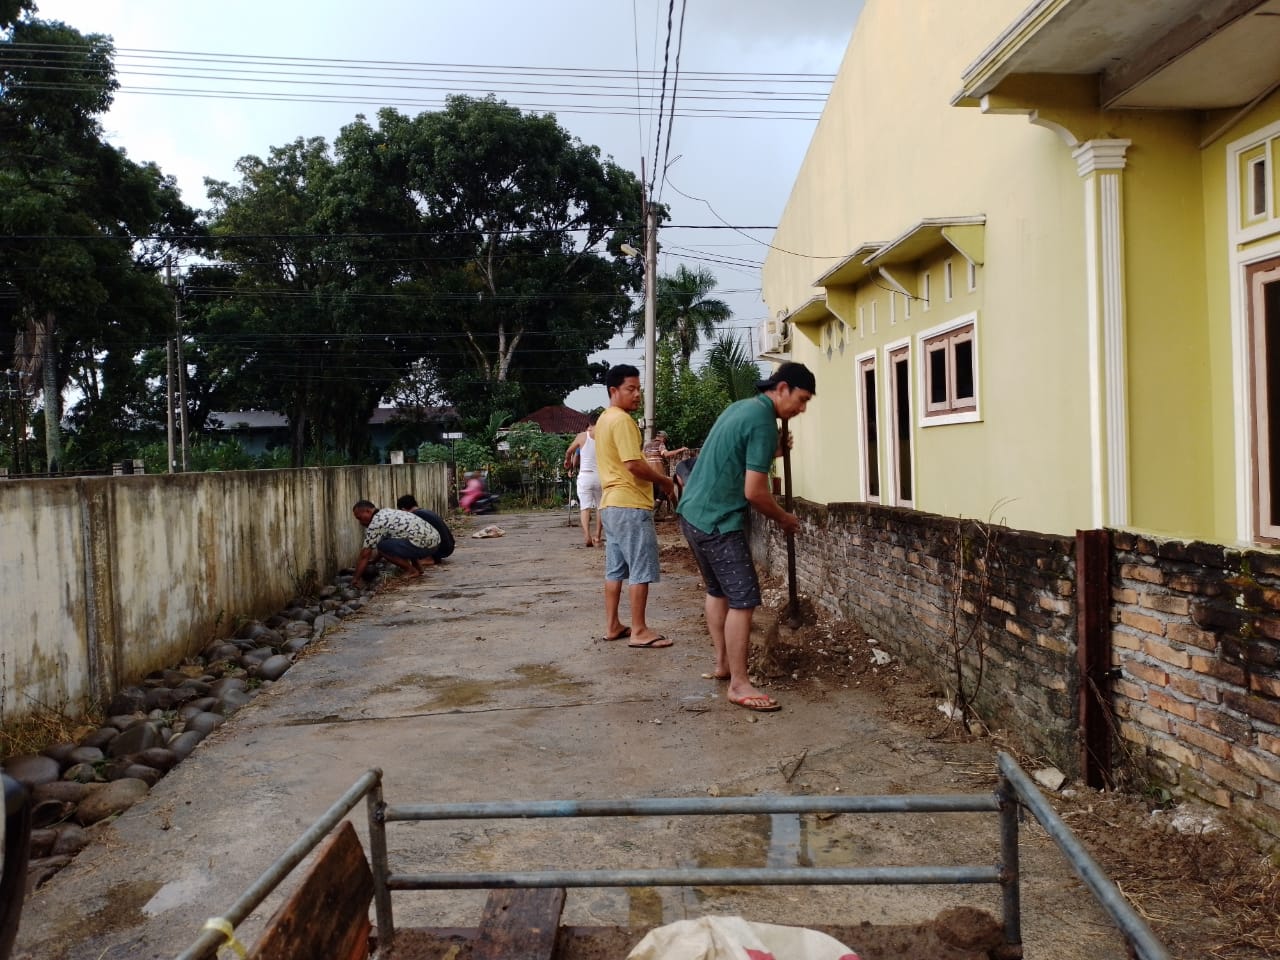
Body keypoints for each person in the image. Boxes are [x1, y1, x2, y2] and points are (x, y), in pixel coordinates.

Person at [675, 362, 816, 712]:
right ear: (781, 389)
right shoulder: (764, 422)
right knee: (743, 598)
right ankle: (739, 684)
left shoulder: (742, 408)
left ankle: (724, 664)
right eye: (801, 399)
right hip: (718, 522)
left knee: (718, 591)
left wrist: (773, 451)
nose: (802, 409)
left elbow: (734, 455)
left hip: (692, 514)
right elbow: (754, 492)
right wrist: (784, 518)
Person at [594, 364, 678, 649]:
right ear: (613, 390)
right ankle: (639, 630)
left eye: (639, 389)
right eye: (630, 389)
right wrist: (664, 481)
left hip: (611, 506)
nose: (637, 394)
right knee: (641, 568)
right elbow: (633, 464)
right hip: (630, 504)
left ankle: (613, 625)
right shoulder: (622, 421)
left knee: (615, 570)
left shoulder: (604, 420)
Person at [351, 499, 442, 581]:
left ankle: (411, 571)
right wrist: (374, 561)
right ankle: (418, 567)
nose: (360, 522)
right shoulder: (385, 512)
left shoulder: (376, 523)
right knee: (403, 539)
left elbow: (365, 554)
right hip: (435, 542)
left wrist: (355, 579)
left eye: (360, 518)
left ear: (368, 511)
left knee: (383, 547)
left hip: (425, 545)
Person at [563, 411, 604, 547]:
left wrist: (567, 462)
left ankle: (587, 535)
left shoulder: (582, 436)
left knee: (585, 508)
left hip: (585, 476)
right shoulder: (605, 436)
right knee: (600, 507)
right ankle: (597, 536)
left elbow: (569, 451)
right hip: (600, 476)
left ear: (589, 423)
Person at [642, 429, 690, 520]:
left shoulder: (646, 446)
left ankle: (657, 512)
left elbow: (642, 459)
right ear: (663, 438)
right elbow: (666, 454)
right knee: (669, 489)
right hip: (658, 475)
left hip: (648, 475)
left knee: (664, 492)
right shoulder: (660, 444)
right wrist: (680, 449)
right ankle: (676, 513)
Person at [395, 494, 456, 561]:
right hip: (449, 546)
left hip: (441, 549)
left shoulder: (416, 516)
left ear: (403, 509)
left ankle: (429, 559)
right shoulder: (425, 512)